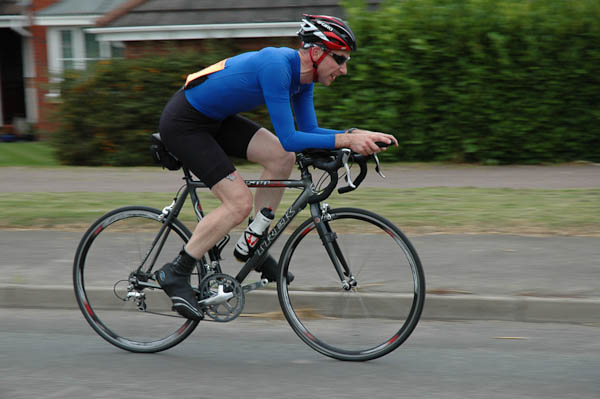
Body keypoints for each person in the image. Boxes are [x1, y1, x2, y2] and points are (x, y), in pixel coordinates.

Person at [155, 14, 398, 320]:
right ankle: (176, 272)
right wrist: (346, 141)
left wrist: (354, 135)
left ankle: (251, 245)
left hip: (215, 120)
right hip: (185, 123)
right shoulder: (277, 66)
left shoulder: (303, 80)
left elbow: (308, 130)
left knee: (282, 157)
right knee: (238, 202)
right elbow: (291, 136)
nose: (344, 69)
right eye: (339, 59)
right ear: (315, 52)